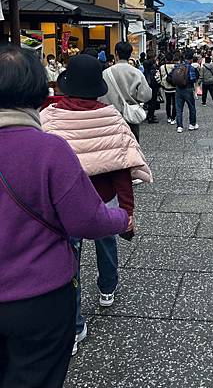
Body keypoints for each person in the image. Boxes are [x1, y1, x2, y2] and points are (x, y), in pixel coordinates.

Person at [0, 46, 130, 388]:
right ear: (40, 92)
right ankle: (105, 290)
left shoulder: (55, 127)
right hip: (36, 297)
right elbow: (85, 220)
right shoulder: (48, 149)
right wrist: (123, 219)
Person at [40, 54, 151, 357]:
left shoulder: (50, 116)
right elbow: (122, 167)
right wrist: (127, 212)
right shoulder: (110, 116)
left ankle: (74, 328)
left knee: (68, 262)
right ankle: (107, 288)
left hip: (63, 203)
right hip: (102, 198)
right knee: (106, 242)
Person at [100, 41, 152, 144]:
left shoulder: (105, 73)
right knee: (132, 147)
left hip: (111, 118)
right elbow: (146, 95)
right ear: (130, 55)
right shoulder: (136, 73)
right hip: (130, 117)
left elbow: (100, 96)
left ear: (116, 53)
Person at [175, 49, 199, 133]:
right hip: (188, 89)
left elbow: (172, 76)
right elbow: (193, 79)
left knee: (179, 108)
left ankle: (179, 126)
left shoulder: (178, 66)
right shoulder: (190, 67)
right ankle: (192, 124)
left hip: (178, 89)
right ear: (191, 59)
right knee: (191, 107)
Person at [143, 57, 161, 124]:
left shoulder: (144, 72)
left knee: (149, 102)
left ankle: (149, 115)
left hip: (147, 88)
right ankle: (151, 117)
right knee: (153, 103)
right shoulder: (154, 71)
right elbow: (158, 80)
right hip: (154, 88)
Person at [160, 53, 177, 124]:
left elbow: (160, 76)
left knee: (168, 102)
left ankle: (168, 117)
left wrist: (162, 85)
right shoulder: (175, 66)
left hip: (166, 87)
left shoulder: (162, 67)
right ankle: (173, 118)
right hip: (175, 87)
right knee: (175, 103)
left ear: (166, 59)